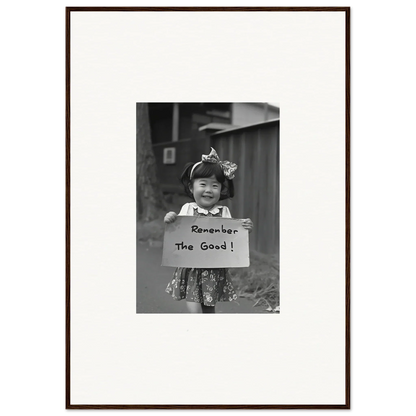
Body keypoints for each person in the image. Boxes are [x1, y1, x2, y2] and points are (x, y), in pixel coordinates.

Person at [164, 147, 253, 313]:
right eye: (203, 184)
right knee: (194, 303)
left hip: (214, 267)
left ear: (221, 189)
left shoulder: (223, 212)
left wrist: (245, 229)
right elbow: (177, 229)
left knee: (209, 306)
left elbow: (232, 237)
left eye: (215, 185)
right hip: (191, 266)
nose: (208, 190)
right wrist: (170, 218)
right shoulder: (188, 208)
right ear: (191, 187)